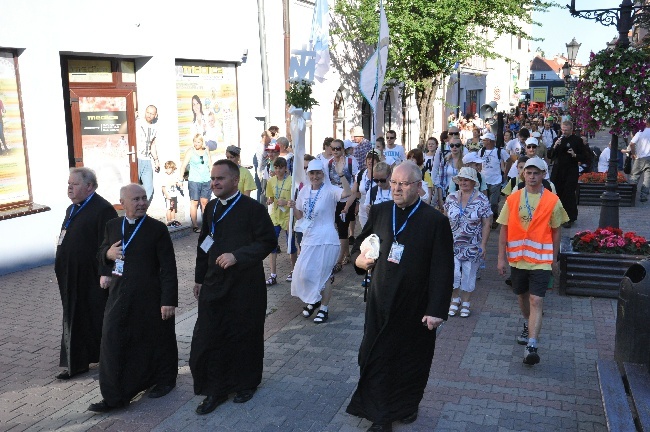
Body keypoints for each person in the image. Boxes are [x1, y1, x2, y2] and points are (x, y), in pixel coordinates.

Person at [347, 162, 454, 431]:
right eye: (393, 182)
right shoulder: (381, 212)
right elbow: (360, 244)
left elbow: (443, 269)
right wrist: (358, 261)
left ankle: (404, 406)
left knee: (408, 361)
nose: (396, 188)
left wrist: (436, 309)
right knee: (372, 354)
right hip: (379, 300)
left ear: (419, 187)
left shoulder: (435, 221)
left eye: (403, 184)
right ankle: (380, 413)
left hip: (414, 306)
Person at [190, 159, 277, 415]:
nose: (214, 183)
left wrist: (237, 256)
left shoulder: (253, 209)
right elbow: (204, 243)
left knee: (244, 335)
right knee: (211, 336)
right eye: (212, 178)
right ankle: (215, 389)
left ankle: (246, 383)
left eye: (220, 178)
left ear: (235, 180)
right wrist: (198, 277)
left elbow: (267, 242)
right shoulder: (211, 208)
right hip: (214, 283)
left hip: (244, 285)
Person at [89, 184, 178, 412]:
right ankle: (114, 395)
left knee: (156, 340)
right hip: (119, 295)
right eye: (136, 199)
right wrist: (108, 256)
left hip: (151, 296)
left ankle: (164, 380)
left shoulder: (157, 229)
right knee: (113, 341)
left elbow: (168, 267)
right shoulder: (112, 226)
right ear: (123, 203)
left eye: (144, 198)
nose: (141, 203)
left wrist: (168, 300)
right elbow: (101, 254)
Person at [496, 158, 569, 366]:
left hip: (542, 260)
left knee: (537, 300)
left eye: (536, 173)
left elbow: (557, 232)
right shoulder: (513, 199)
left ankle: (532, 345)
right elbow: (504, 229)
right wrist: (501, 258)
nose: (532, 176)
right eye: (528, 173)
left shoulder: (553, 200)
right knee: (522, 297)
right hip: (518, 259)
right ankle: (528, 324)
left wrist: (554, 259)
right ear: (523, 175)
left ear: (544, 175)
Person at [55, 167, 118, 380]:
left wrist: (106, 272)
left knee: (95, 318)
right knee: (74, 317)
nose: (69, 188)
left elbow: (110, 244)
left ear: (89, 186)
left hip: (92, 277)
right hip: (71, 276)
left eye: (74, 184)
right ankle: (77, 363)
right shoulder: (72, 209)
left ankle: (109, 360)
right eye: (68, 184)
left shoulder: (103, 209)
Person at [289, 159, 352, 324]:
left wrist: (340, 174)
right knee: (303, 274)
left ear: (323, 174)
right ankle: (314, 300)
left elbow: (347, 193)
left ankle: (323, 308)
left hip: (327, 238)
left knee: (323, 276)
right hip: (309, 238)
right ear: (308, 174)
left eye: (318, 173)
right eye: (312, 173)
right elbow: (300, 216)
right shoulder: (304, 191)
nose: (315, 176)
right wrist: (293, 206)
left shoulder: (330, 190)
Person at [444, 167, 491, 318]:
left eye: (466, 180)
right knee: (453, 273)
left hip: (473, 244)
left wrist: (483, 244)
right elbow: (444, 220)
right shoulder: (451, 197)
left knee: (469, 275)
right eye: (461, 180)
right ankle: (454, 300)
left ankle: (465, 303)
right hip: (452, 244)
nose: (463, 182)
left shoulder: (482, 199)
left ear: (473, 182)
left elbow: (486, 224)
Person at [547, 121, 590, 227]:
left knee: (568, 193)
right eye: (563, 130)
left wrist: (575, 155)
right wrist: (554, 146)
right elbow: (550, 155)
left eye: (566, 130)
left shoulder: (577, 140)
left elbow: (586, 157)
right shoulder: (557, 139)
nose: (564, 132)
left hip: (571, 170)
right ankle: (556, 216)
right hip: (558, 169)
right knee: (556, 192)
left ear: (571, 129)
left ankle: (568, 218)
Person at [265, 157, 297, 285]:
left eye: (280, 168)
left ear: (285, 168)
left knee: (291, 244)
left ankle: (293, 271)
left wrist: (286, 202)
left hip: (288, 217)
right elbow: (270, 196)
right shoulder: (271, 181)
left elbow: (295, 201)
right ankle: (273, 275)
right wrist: (270, 200)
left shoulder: (291, 181)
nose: (278, 170)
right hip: (275, 217)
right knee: (272, 244)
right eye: (276, 168)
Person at [329, 138, 359, 272]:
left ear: (343, 149)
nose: (335, 151)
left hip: (348, 199)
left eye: (338, 148)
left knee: (342, 228)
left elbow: (356, 184)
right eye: (333, 148)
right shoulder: (329, 163)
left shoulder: (351, 162)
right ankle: (346, 254)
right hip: (334, 200)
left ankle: (339, 261)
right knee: (338, 228)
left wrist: (353, 202)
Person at [180, 134, 212, 233]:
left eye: (198, 142)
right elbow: (183, 165)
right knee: (194, 202)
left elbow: (210, 163)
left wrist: (213, 178)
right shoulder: (191, 151)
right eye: (195, 141)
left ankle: (206, 225)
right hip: (194, 180)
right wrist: (180, 179)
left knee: (205, 203)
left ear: (202, 142)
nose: (196, 144)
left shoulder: (206, 149)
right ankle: (194, 225)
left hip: (206, 179)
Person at [478, 132, 509, 228]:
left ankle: (494, 217)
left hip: (496, 180)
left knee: (493, 202)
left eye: (484, 140)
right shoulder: (481, 151)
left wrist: (505, 173)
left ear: (490, 141)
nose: (483, 142)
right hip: (484, 181)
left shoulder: (500, 151)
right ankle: (487, 220)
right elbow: (478, 162)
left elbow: (509, 160)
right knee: (484, 201)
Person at [136, 105, 160, 202]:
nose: (149, 115)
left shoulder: (155, 127)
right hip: (136, 158)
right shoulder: (137, 122)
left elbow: (152, 145)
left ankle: (140, 210)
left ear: (155, 115)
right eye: (148, 112)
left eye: (152, 113)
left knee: (149, 188)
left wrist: (156, 160)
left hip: (147, 159)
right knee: (133, 186)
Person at [628, 117, 650, 202]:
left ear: (647, 123)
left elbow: (632, 143)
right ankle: (643, 196)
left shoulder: (641, 132)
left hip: (641, 157)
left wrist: (633, 154)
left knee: (635, 176)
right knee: (648, 178)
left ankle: (631, 194)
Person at [162, 161, 182, 227]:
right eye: (166, 168)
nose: (168, 170)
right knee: (169, 209)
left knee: (173, 208)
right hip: (169, 196)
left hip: (174, 195)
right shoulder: (165, 176)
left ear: (173, 168)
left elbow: (177, 182)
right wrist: (167, 194)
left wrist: (179, 184)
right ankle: (169, 221)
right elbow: (163, 187)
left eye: (169, 168)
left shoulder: (174, 176)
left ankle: (173, 220)